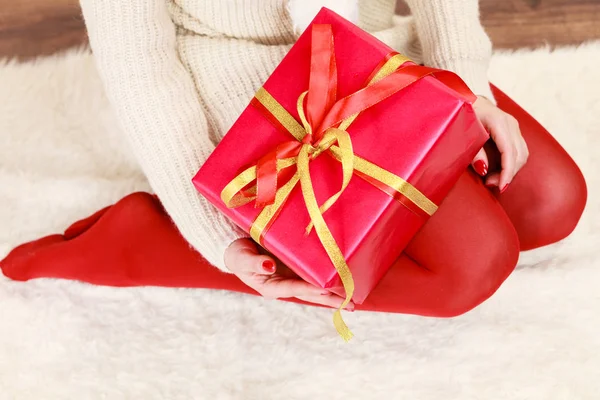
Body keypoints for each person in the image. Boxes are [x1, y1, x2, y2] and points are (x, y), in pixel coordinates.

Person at [0, 0, 587, 316]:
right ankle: (154, 240)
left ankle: (226, 232)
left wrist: (466, 89)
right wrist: (216, 236)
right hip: (255, 84)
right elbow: (141, 73)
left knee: (549, 202)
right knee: (468, 269)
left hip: (370, 49)